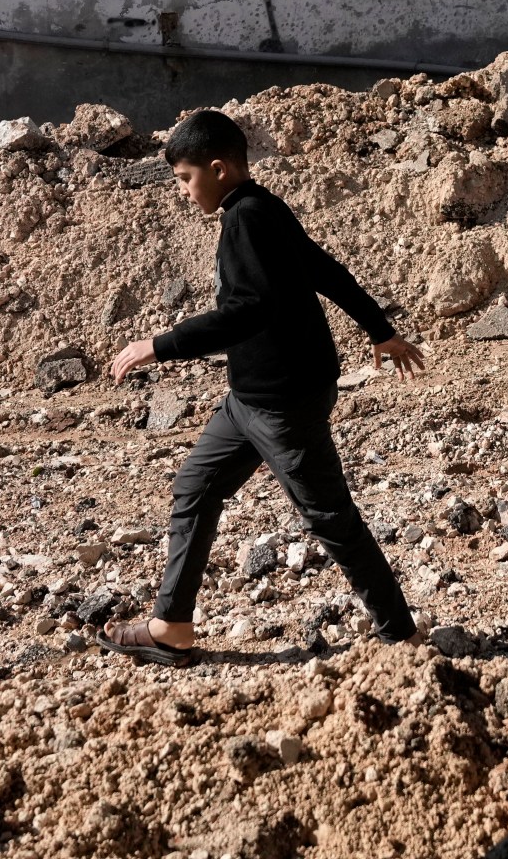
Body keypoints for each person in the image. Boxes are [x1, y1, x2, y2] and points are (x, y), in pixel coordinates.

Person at [98, 110, 426, 665]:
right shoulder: (262, 208)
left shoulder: (249, 218)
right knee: (195, 489)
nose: (182, 191)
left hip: (283, 404)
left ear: (219, 168)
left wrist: (161, 344)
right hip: (247, 401)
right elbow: (325, 270)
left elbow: (246, 311)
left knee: (330, 520)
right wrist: (381, 331)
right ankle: (171, 626)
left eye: (185, 178)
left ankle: (402, 636)